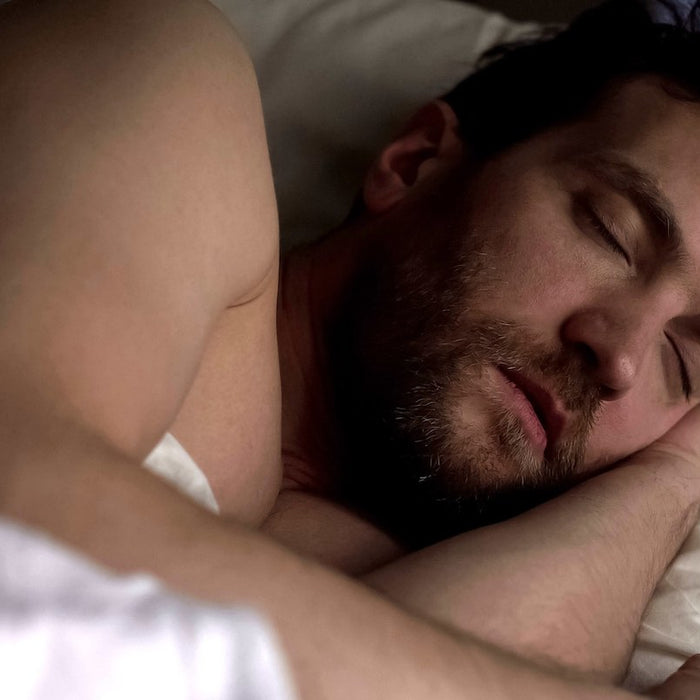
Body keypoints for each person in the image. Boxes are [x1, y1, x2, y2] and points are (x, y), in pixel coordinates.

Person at [0, 0, 699, 696]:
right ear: (415, 162)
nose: (623, 358)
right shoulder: (165, 80)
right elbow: (22, 521)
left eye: (685, 361)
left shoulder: (407, 575)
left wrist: (670, 482)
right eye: (611, 233)